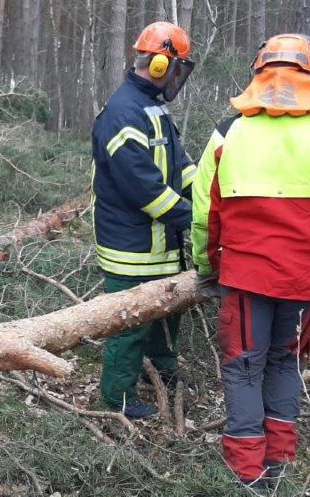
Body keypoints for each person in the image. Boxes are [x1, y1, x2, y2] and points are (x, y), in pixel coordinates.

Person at [191, 34, 310, 492]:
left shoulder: (229, 133)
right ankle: (278, 463)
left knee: (243, 366)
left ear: (258, 70)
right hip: (308, 278)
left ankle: (246, 473)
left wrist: (207, 266)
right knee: (285, 362)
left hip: (246, 275)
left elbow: (205, 211)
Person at [90, 22, 198, 419]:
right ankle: (117, 396)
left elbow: (179, 165)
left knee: (167, 311)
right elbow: (145, 189)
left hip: (159, 243)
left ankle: (162, 370)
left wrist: (208, 193)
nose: (176, 77)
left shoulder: (153, 108)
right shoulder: (123, 113)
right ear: (158, 66)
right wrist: (197, 217)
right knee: (130, 323)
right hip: (131, 246)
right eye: (175, 68)